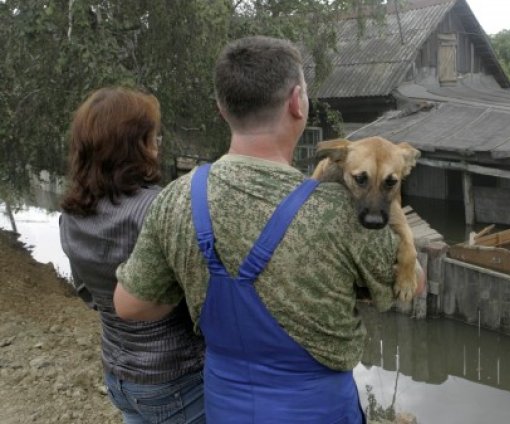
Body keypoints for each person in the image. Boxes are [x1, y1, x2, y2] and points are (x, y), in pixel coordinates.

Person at [113, 36, 425, 423]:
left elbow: (130, 305)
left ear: (222, 110)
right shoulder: (341, 213)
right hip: (318, 410)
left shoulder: (175, 200)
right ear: (297, 103)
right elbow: (413, 285)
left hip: (226, 405)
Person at [59, 87, 205, 424]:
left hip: (118, 375)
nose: (158, 145)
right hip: (177, 379)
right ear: (137, 146)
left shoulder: (71, 215)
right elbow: (202, 300)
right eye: (154, 137)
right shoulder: (160, 208)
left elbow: (86, 293)